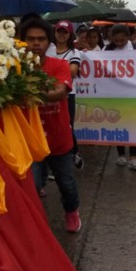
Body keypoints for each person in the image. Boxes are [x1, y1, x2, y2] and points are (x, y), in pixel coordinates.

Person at [19, 17, 82, 233]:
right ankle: (38, 227)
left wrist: (25, 94)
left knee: (66, 184)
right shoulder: (15, 69)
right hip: (30, 141)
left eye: (41, 39)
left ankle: (72, 212)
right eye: (31, 39)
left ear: (49, 43)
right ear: (22, 41)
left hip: (58, 139)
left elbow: (60, 92)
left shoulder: (60, 65)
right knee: (33, 186)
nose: (36, 43)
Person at [104, 24, 136, 171]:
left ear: (128, 37)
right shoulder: (107, 50)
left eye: (122, 40)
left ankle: (133, 158)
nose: (119, 43)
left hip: (133, 93)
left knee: (133, 125)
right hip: (115, 94)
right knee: (118, 124)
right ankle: (121, 155)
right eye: (116, 41)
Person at [46, 20, 84, 171]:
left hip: (67, 95)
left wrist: (52, 72)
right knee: (49, 127)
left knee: (66, 127)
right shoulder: (48, 50)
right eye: (59, 31)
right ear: (54, 33)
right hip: (47, 94)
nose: (61, 35)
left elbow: (73, 72)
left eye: (65, 32)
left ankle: (73, 153)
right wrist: (60, 72)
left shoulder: (75, 53)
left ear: (70, 35)